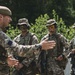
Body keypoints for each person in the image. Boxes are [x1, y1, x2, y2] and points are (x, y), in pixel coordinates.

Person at [0, 5, 56, 74]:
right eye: (8, 17)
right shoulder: (2, 35)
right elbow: (18, 50)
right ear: (0, 17)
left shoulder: (32, 37)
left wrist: (5, 60)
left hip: (29, 68)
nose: (10, 20)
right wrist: (40, 46)